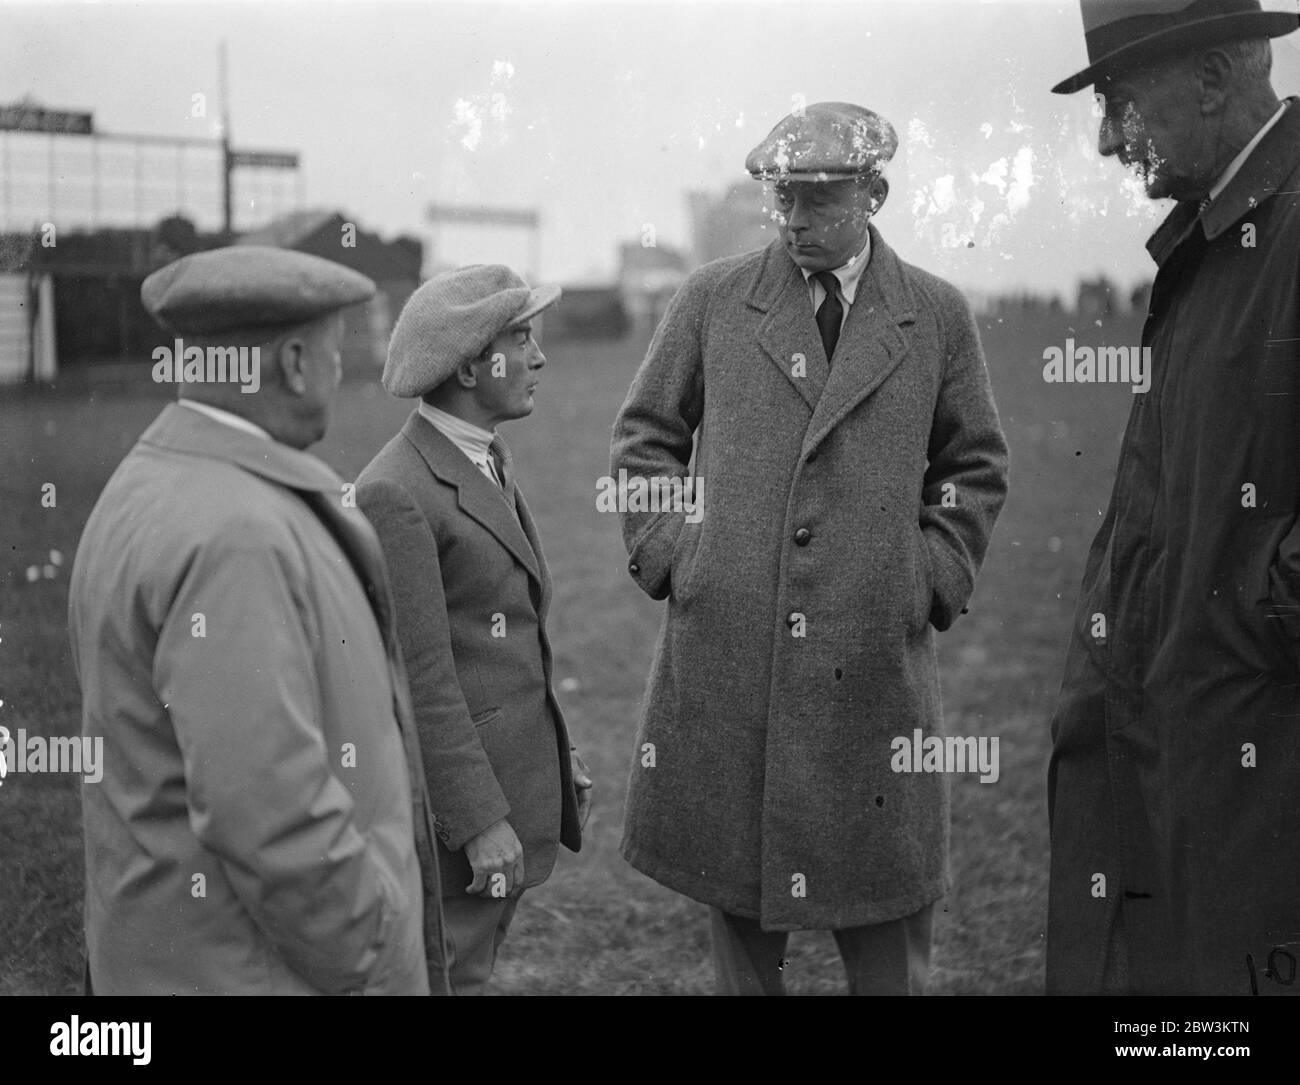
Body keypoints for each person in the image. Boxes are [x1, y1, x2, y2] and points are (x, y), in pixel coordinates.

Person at [610, 102, 1009, 995]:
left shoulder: (937, 315)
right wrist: (675, 555)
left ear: (874, 194)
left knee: (888, 925)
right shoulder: (712, 299)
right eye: (780, 199)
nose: (791, 220)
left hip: (873, 669)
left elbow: (974, 464)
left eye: (816, 201)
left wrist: (929, 577)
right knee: (742, 926)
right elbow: (645, 438)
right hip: (733, 660)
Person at [69, 245, 447, 995]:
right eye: (339, 354)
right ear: (297, 362)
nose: (342, 375)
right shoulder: (237, 533)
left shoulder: (152, 481)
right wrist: (376, 947)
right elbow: (269, 811)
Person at [1048, 0, 1300, 995]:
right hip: (1172, 757)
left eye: (1119, 99)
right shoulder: (1215, 235)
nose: (1109, 138)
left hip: (1257, 779)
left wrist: (1249, 607)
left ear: (1212, 75)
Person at [356, 264, 591, 996]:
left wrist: (558, 754)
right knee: (447, 979)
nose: (540, 357)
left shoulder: (481, 455)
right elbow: (423, 682)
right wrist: (482, 822)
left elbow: (508, 640)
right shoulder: (398, 490)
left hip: (507, 796)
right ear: (467, 364)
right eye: (521, 338)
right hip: (460, 828)